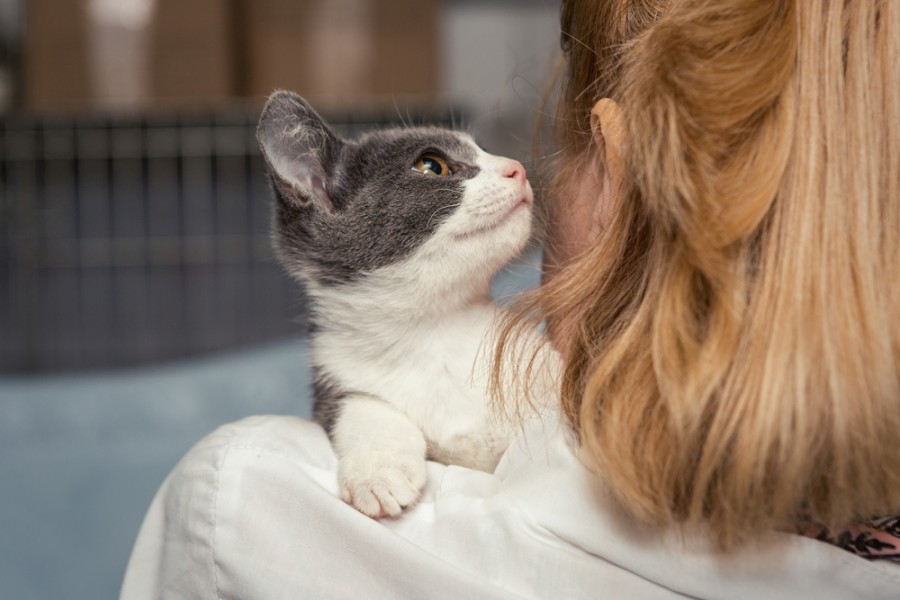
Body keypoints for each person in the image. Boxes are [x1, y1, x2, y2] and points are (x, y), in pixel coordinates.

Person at [121, 0, 900, 598]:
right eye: (441, 165)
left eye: (559, 153)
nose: (525, 174)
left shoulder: (242, 509)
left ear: (624, 180)